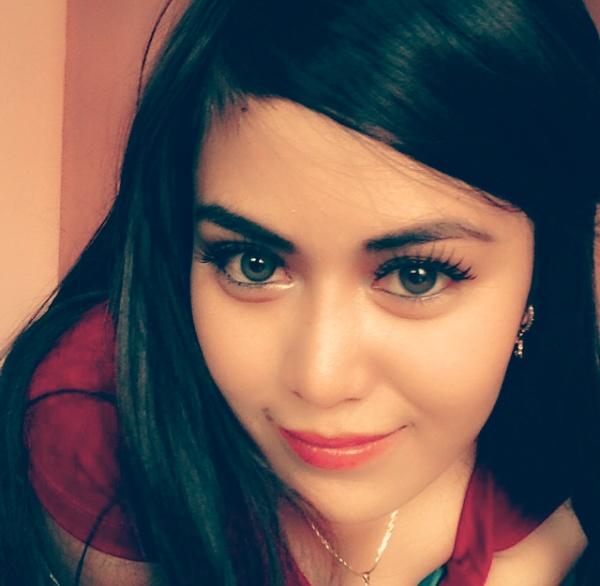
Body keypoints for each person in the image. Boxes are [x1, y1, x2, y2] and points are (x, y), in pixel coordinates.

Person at [1, 0, 599, 584]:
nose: (321, 380)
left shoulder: (556, 448)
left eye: (416, 275)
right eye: (254, 264)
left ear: (542, 271)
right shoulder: (101, 418)